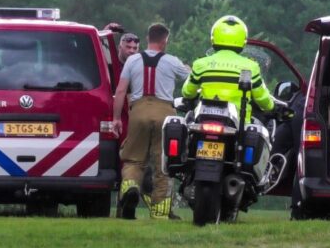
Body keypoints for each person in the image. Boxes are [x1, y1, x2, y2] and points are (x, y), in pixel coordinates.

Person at [112, 23, 189, 220]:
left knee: (133, 159)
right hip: (164, 113)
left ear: (147, 39)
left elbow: (120, 91)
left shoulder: (132, 61)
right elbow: (192, 79)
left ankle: (130, 189)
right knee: (163, 163)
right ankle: (160, 211)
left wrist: (116, 118)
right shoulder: (172, 61)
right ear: (165, 41)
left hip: (138, 112)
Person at [181, 15, 274, 122]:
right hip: (239, 127)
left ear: (214, 37)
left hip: (203, 121)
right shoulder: (251, 67)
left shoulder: (200, 64)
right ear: (242, 39)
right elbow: (262, 98)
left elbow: (187, 92)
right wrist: (271, 106)